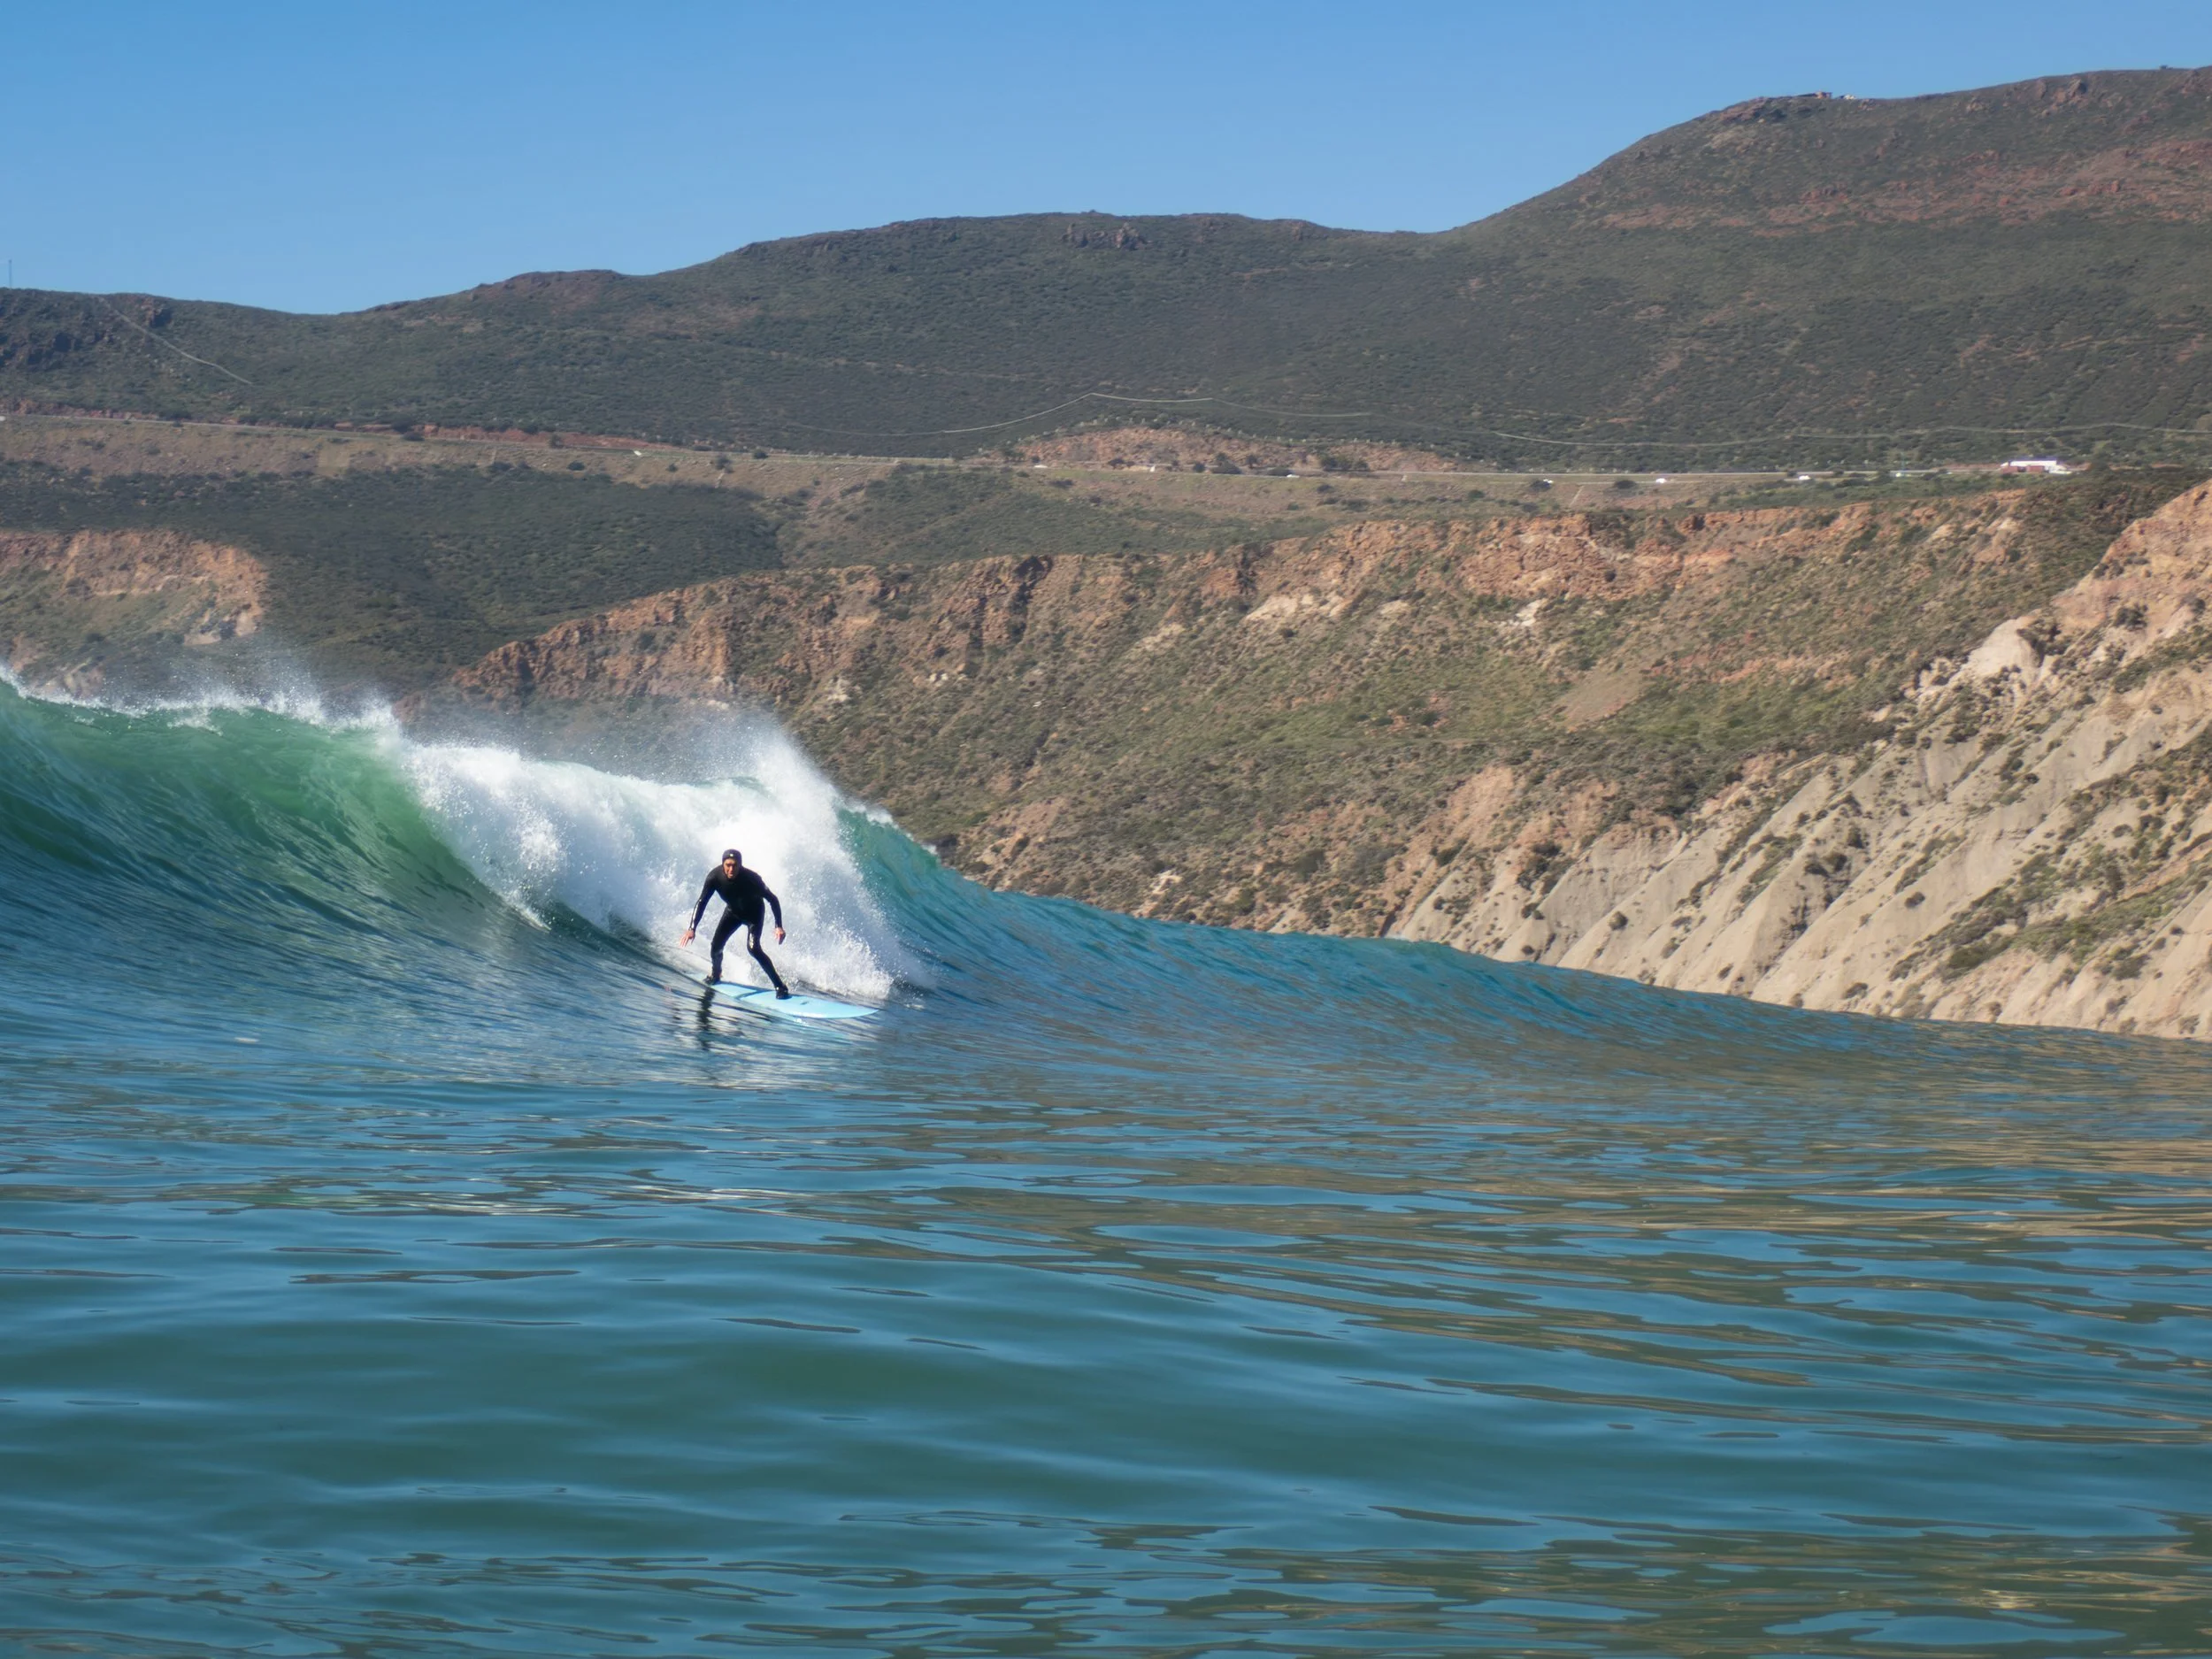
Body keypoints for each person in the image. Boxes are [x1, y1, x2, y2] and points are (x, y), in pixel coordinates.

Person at [682, 848, 790, 997]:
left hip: (754, 914)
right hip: (733, 913)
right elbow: (702, 902)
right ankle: (716, 974)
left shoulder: (752, 879)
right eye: (728, 865)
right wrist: (692, 928)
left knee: (753, 948)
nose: (731, 869)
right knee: (716, 946)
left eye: (735, 865)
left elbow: (772, 899)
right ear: (723, 865)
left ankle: (780, 987)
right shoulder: (714, 877)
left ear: (740, 865)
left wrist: (778, 926)